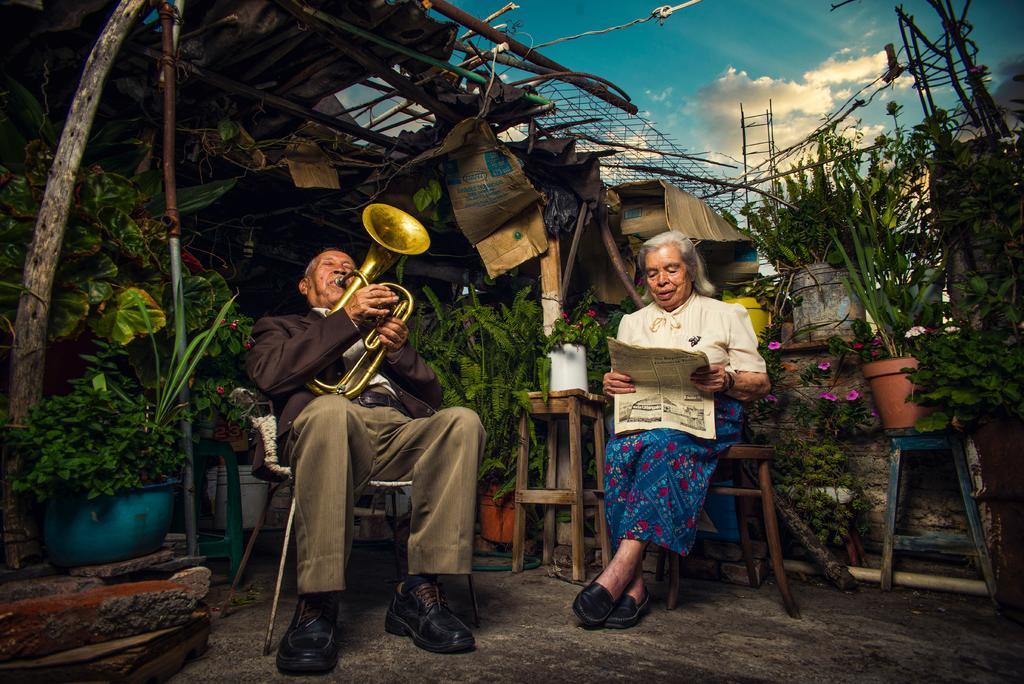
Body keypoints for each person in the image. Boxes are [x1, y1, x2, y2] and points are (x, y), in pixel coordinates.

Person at [247, 248, 485, 674]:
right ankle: (317, 604)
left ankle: (420, 589)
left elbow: (431, 397)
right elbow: (269, 375)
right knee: (332, 410)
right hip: (327, 429)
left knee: (463, 422)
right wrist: (347, 321)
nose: (343, 270)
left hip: (394, 429)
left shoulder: (379, 329)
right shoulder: (282, 325)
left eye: (349, 267)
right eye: (329, 266)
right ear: (305, 286)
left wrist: (399, 352)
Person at [572, 230, 770, 629]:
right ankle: (636, 588)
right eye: (652, 273)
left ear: (690, 271)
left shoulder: (725, 314)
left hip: (709, 420)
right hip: (648, 421)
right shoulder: (632, 322)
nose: (661, 280)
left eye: (671, 269)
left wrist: (728, 380)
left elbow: (761, 383)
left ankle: (620, 570)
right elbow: (623, 385)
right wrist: (612, 386)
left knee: (663, 445)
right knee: (619, 450)